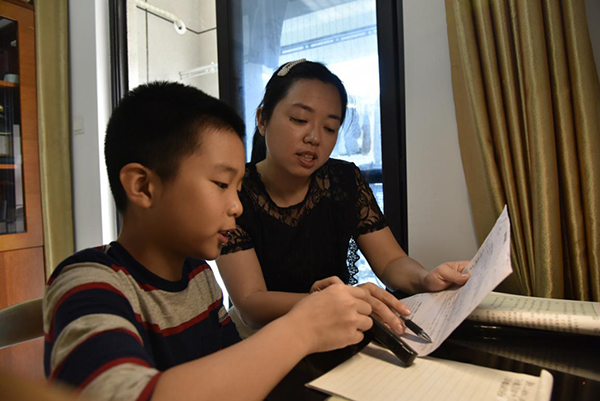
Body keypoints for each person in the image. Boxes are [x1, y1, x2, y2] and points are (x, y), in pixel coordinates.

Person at [43, 81, 375, 401]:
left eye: (239, 188)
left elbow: (238, 377)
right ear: (143, 186)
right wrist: (302, 329)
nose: (237, 206)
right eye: (221, 184)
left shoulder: (198, 275)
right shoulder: (88, 282)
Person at [217, 59, 470, 337]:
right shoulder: (235, 192)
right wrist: (332, 301)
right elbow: (251, 304)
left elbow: (390, 262)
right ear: (262, 119)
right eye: (299, 120)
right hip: (262, 339)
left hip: (335, 331)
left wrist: (425, 278)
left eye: (329, 128)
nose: (314, 137)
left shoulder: (342, 180)